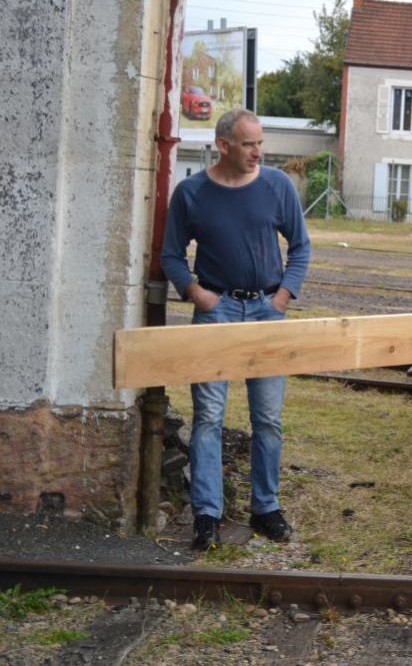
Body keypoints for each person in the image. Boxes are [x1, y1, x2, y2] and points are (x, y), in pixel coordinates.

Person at [160, 109, 311, 551]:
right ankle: (207, 515)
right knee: (208, 419)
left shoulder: (277, 186)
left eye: (260, 143)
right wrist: (196, 293)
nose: (258, 152)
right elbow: (172, 255)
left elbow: (300, 247)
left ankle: (266, 508)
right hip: (216, 313)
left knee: (268, 420)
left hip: (266, 311)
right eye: (248, 144)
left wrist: (282, 297)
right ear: (223, 145)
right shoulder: (191, 194)